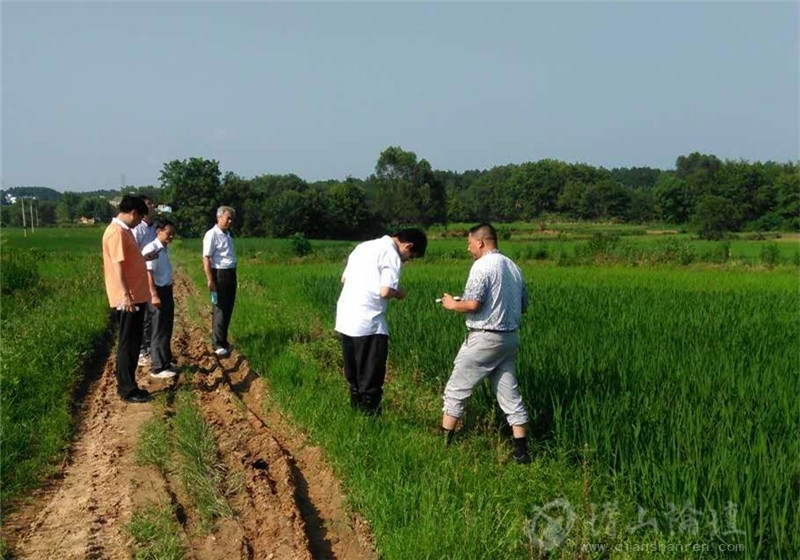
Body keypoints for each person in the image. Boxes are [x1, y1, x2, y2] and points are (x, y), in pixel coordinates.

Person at [438, 223, 531, 464]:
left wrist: (452, 304)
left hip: (484, 337)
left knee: (456, 388)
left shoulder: (481, 266)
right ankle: (521, 452)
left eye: (469, 244)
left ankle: (443, 443)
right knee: (510, 394)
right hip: (509, 339)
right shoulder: (514, 267)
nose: (468, 249)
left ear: (480, 242)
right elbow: (523, 305)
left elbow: (473, 304)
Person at [335, 228, 428, 415]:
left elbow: (344, 279)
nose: (407, 261)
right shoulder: (391, 254)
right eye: (410, 257)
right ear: (407, 246)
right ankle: (371, 422)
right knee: (371, 379)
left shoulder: (363, 247)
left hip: (346, 318)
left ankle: (355, 416)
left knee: (354, 378)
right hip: (368, 323)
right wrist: (399, 292)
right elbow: (385, 291)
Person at [102, 195, 151, 403]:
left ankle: (131, 385)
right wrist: (125, 295)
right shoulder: (116, 233)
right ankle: (127, 389)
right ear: (133, 212)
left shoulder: (124, 231)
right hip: (127, 299)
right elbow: (118, 266)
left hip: (134, 296)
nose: (140, 222)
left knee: (133, 342)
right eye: (140, 218)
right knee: (127, 343)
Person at [141, 218, 178, 379]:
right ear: (159, 232)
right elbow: (148, 273)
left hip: (166, 290)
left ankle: (165, 361)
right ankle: (158, 367)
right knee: (158, 329)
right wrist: (154, 295)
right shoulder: (152, 249)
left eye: (173, 234)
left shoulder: (163, 248)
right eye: (168, 234)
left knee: (166, 327)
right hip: (157, 293)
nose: (171, 237)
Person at [203, 206, 237, 357]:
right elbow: (206, 258)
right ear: (219, 217)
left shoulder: (228, 235)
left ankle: (223, 339)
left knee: (228, 307)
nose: (229, 221)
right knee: (220, 307)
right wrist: (210, 279)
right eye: (227, 218)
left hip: (230, 272)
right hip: (220, 273)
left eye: (231, 219)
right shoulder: (212, 234)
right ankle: (218, 343)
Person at [133, 195, 158, 367]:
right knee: (143, 315)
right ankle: (142, 350)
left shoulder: (154, 228)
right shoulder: (137, 230)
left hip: (155, 274)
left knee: (152, 314)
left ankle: (150, 347)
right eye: (149, 204)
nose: (153, 206)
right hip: (141, 276)